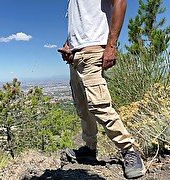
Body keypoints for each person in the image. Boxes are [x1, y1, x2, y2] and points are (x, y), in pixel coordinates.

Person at [58, 0, 145, 179]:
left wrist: (111, 46)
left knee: (99, 105)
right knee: (82, 107)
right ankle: (90, 149)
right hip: (75, 56)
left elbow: (120, 2)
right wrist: (68, 44)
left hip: (93, 52)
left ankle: (129, 151)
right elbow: (82, 24)